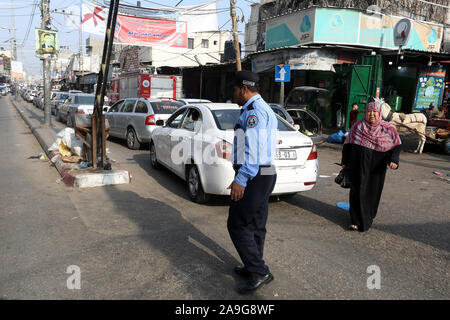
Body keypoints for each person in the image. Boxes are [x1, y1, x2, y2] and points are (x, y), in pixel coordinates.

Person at [227, 70, 277, 294]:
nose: (234, 93)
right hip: (264, 173)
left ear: (244, 89)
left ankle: (259, 271)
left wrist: (241, 178)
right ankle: (253, 265)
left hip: (255, 174)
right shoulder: (258, 108)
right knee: (256, 224)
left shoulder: (255, 112)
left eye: (235, 89)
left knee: (237, 224)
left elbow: (253, 151)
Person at [341, 101, 402, 232]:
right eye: (369, 111)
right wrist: (344, 161)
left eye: (375, 111)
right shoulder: (357, 127)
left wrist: (394, 160)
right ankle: (355, 221)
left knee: (371, 193)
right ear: (366, 113)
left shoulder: (388, 129)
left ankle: (367, 218)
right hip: (357, 165)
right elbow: (348, 144)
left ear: (379, 113)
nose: (372, 114)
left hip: (376, 168)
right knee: (356, 191)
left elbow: (396, 145)